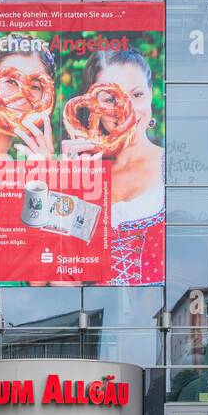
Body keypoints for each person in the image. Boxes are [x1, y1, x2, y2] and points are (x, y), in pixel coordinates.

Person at [61, 48, 164, 285]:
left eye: (137, 95)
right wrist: (68, 185)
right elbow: (66, 281)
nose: (125, 110)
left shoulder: (175, 168)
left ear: (150, 94)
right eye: (109, 99)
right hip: (100, 318)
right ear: (91, 106)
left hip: (162, 317)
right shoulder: (82, 174)